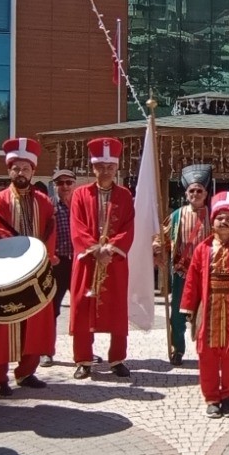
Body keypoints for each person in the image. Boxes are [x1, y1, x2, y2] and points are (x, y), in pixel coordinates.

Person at [179, 191, 229, 418]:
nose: (223, 222)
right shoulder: (202, 250)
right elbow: (192, 281)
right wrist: (188, 307)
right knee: (207, 355)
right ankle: (212, 398)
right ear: (212, 221)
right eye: (219, 218)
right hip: (209, 308)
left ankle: (228, 397)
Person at [0, 137, 56, 394]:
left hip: (35, 273)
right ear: (9, 170)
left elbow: (51, 232)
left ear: (33, 171)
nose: (21, 172)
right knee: (5, 326)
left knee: (35, 323)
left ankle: (26, 372)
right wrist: (19, 258)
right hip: (8, 273)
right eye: (16, 168)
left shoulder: (44, 202)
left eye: (26, 169)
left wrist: (41, 258)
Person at [70, 137, 136, 378]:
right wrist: (94, 249)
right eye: (101, 166)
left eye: (110, 166)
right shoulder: (80, 194)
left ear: (116, 167)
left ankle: (117, 358)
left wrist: (111, 250)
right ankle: (83, 360)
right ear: (93, 167)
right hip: (87, 261)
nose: (105, 170)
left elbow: (128, 226)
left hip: (114, 262)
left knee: (117, 309)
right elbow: (76, 226)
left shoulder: (125, 195)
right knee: (81, 308)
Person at [155, 164, 212, 367]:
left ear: (206, 193)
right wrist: (158, 247)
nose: (195, 194)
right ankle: (177, 349)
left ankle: (207, 351)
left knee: (206, 314)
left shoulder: (214, 216)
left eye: (199, 191)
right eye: (192, 191)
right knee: (177, 316)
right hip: (181, 273)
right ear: (186, 193)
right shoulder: (177, 215)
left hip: (207, 274)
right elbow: (160, 237)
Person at [45, 168, 78, 368]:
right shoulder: (48, 206)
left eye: (68, 182)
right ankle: (46, 351)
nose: (64, 186)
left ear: (74, 184)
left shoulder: (80, 205)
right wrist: (50, 255)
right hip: (56, 264)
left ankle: (83, 352)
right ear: (55, 185)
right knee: (51, 309)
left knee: (81, 308)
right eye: (60, 183)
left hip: (77, 263)